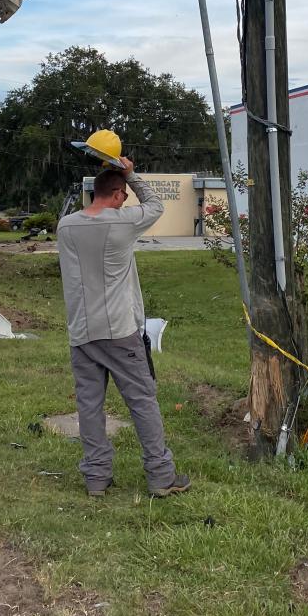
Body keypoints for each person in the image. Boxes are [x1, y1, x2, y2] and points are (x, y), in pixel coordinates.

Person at [56, 158, 190, 498]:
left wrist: (121, 178)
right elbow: (156, 205)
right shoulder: (122, 222)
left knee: (89, 404)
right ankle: (161, 476)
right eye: (124, 195)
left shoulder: (66, 226)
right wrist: (130, 172)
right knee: (142, 400)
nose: (127, 200)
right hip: (119, 330)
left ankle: (96, 478)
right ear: (116, 195)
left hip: (82, 331)